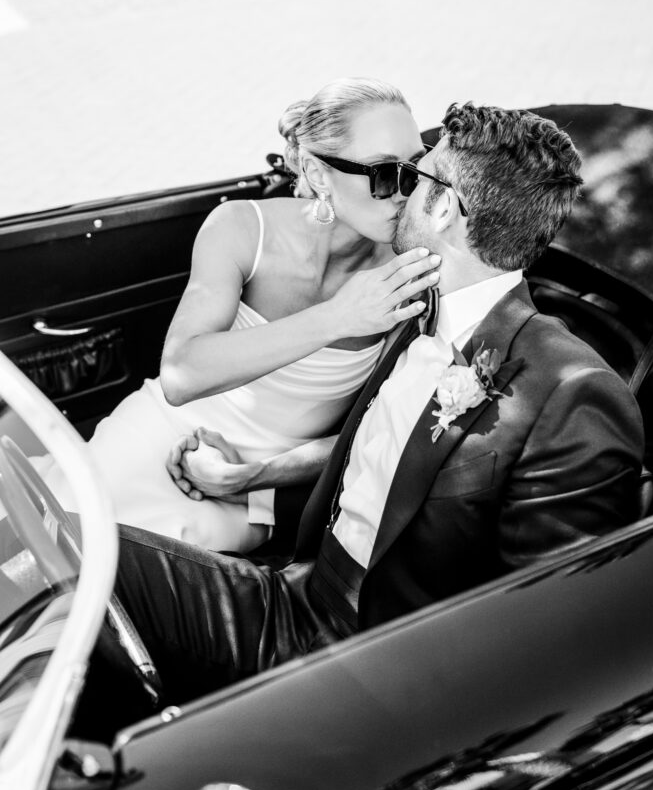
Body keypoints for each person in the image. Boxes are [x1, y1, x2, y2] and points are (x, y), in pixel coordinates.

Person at [113, 102, 645, 705]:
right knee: (73, 554)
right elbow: (383, 461)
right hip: (293, 597)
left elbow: (552, 629)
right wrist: (255, 477)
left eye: (417, 177)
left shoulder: (571, 393)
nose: (401, 193)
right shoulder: (411, 304)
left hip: (376, 677)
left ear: (443, 207)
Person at [34, 77, 440, 553]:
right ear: (318, 171)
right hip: (162, 430)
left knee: (126, 574)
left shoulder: (411, 277)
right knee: (58, 537)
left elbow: (388, 429)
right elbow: (181, 376)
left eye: (415, 169)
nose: (404, 192)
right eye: (383, 172)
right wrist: (339, 317)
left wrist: (251, 478)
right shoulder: (242, 228)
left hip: (259, 487)